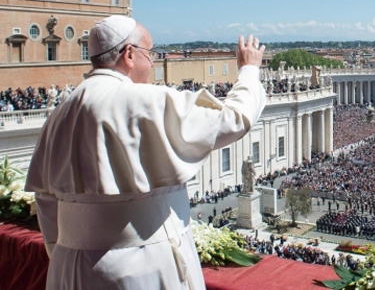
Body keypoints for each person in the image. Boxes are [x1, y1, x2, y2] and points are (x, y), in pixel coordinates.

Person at [25, 15, 267, 290]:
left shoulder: (60, 113)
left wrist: (66, 249)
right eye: (150, 54)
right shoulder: (146, 100)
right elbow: (234, 119)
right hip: (140, 268)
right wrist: (249, 70)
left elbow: (44, 198)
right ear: (129, 54)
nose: (152, 63)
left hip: (67, 268)